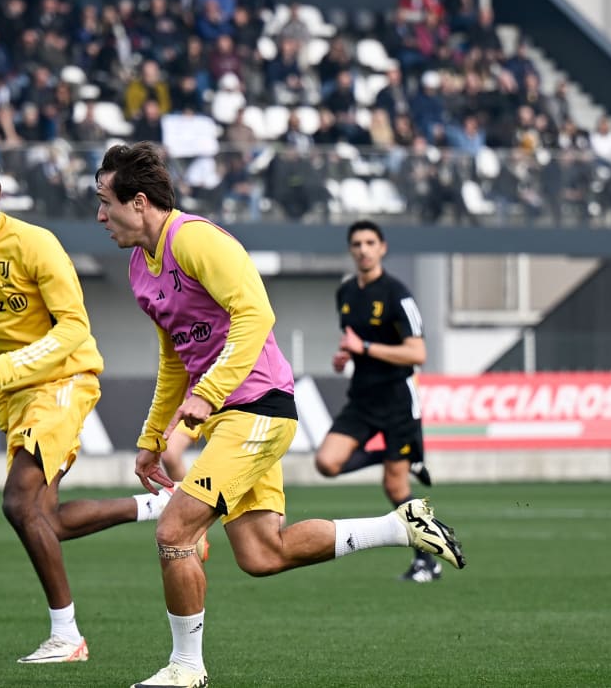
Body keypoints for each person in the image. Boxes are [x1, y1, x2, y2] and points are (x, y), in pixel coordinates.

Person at [94, 142, 465, 688]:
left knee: (173, 529)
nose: (100, 215)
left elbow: (256, 312)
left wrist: (207, 394)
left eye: (105, 202)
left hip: (258, 406)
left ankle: (186, 669)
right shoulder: (138, 268)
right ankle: (401, 526)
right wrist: (154, 434)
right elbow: (174, 354)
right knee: (263, 553)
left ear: (140, 202)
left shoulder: (192, 238)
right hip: (229, 413)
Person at [0, 146, 176, 664]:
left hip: (65, 378)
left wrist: (10, 368)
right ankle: (162, 506)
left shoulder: (36, 245)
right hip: (17, 393)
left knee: (17, 503)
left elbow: (74, 329)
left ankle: (67, 637)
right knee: (47, 520)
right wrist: (2, 379)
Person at [315, 220, 442, 582]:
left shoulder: (397, 294)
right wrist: (347, 358)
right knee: (327, 463)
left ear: (382, 247)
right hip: (362, 399)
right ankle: (402, 459)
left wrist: (365, 348)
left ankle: (428, 561)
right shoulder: (346, 294)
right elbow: (354, 344)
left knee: (395, 488)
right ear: (351, 249)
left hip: (398, 400)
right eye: (357, 243)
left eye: (370, 242)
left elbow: (418, 352)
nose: (363, 249)